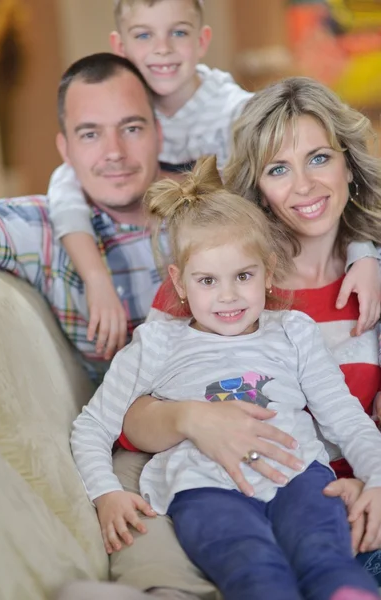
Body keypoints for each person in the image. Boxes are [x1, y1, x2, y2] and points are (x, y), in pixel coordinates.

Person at [115, 77, 381, 596]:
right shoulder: (221, 281)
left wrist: (367, 485)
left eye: (320, 158)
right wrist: (192, 417)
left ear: (349, 163)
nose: (304, 186)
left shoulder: (372, 273)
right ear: (258, 186)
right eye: (278, 169)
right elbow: (126, 421)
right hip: (236, 506)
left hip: (345, 511)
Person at [47, 0, 254, 359]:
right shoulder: (127, 110)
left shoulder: (235, 112)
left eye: (178, 32)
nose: (162, 48)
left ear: (203, 40)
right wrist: (97, 279)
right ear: (120, 47)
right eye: (144, 35)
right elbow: (65, 187)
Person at [0, 52, 163, 383]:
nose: (115, 152)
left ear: (159, 133)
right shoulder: (44, 231)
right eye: (90, 134)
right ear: (66, 149)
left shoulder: (211, 209)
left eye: (132, 128)